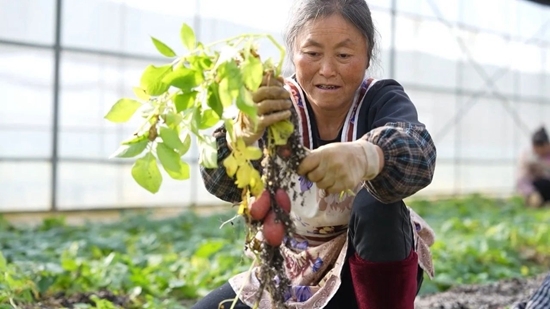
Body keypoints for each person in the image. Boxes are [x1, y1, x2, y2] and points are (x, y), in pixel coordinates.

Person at [195, 0, 437, 308]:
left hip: (367, 274)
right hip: (292, 269)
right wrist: (239, 140)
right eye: (312, 53)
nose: (327, 69)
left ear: (367, 57)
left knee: (376, 203)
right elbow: (220, 184)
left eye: (344, 55)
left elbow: (420, 152)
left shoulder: (381, 99)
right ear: (293, 53)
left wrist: (368, 156)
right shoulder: (272, 103)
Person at [516, 126, 550, 208]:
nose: (539, 151)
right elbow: (522, 179)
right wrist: (531, 193)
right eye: (536, 148)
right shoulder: (527, 156)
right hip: (537, 188)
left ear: (547, 145)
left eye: (542, 148)